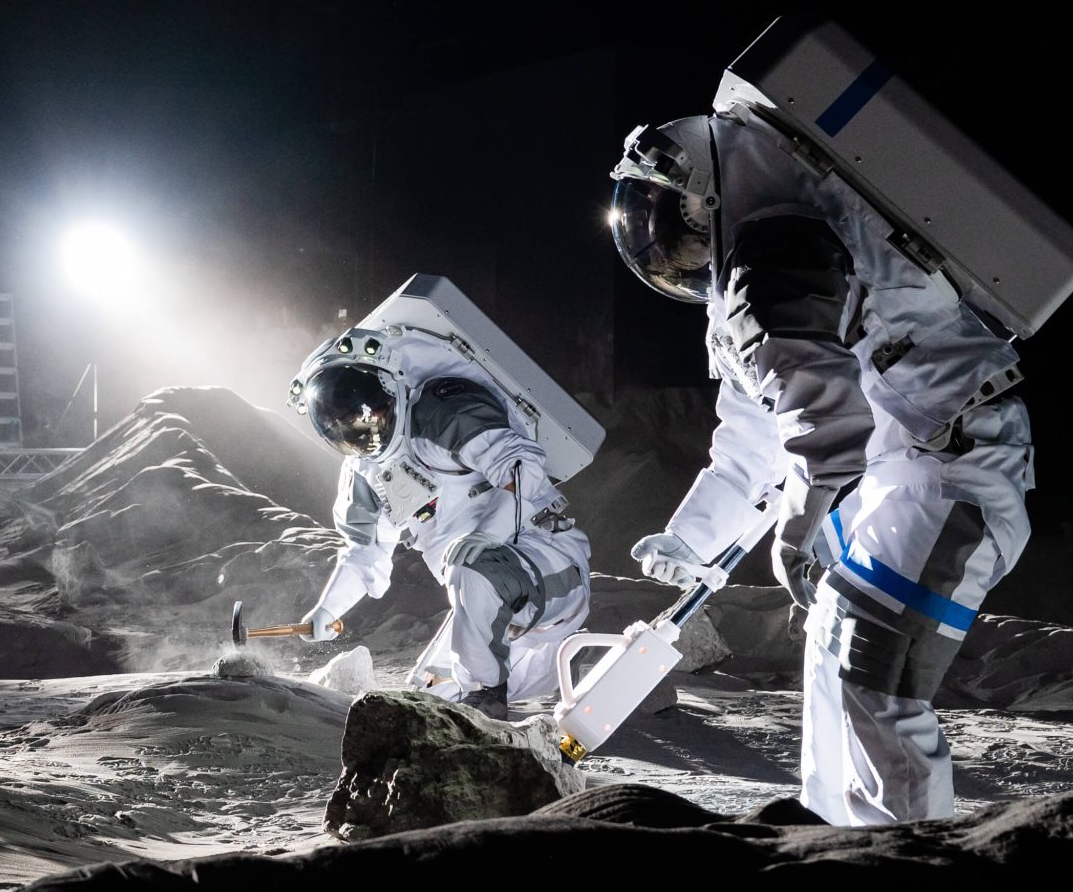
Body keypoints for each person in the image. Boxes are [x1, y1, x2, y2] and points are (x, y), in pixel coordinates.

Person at [610, 110, 1033, 824]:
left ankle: (906, 859)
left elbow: (831, 430)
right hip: (914, 466)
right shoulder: (770, 252)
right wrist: (694, 537)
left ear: (705, 197)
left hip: (953, 469)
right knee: (834, 642)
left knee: (875, 672)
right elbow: (756, 433)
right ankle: (834, 841)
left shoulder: (775, 256)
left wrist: (799, 529)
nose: (679, 256)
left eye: (677, 234)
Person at [290, 332, 594, 718]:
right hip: (484, 603)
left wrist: (488, 533)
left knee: (470, 572)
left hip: (547, 570)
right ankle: (550, 668)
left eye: (367, 412)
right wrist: (327, 609)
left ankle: (487, 692)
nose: (362, 428)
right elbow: (364, 554)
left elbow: (521, 465)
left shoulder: (444, 411)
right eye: (346, 425)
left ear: (390, 386)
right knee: (431, 703)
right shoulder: (365, 474)